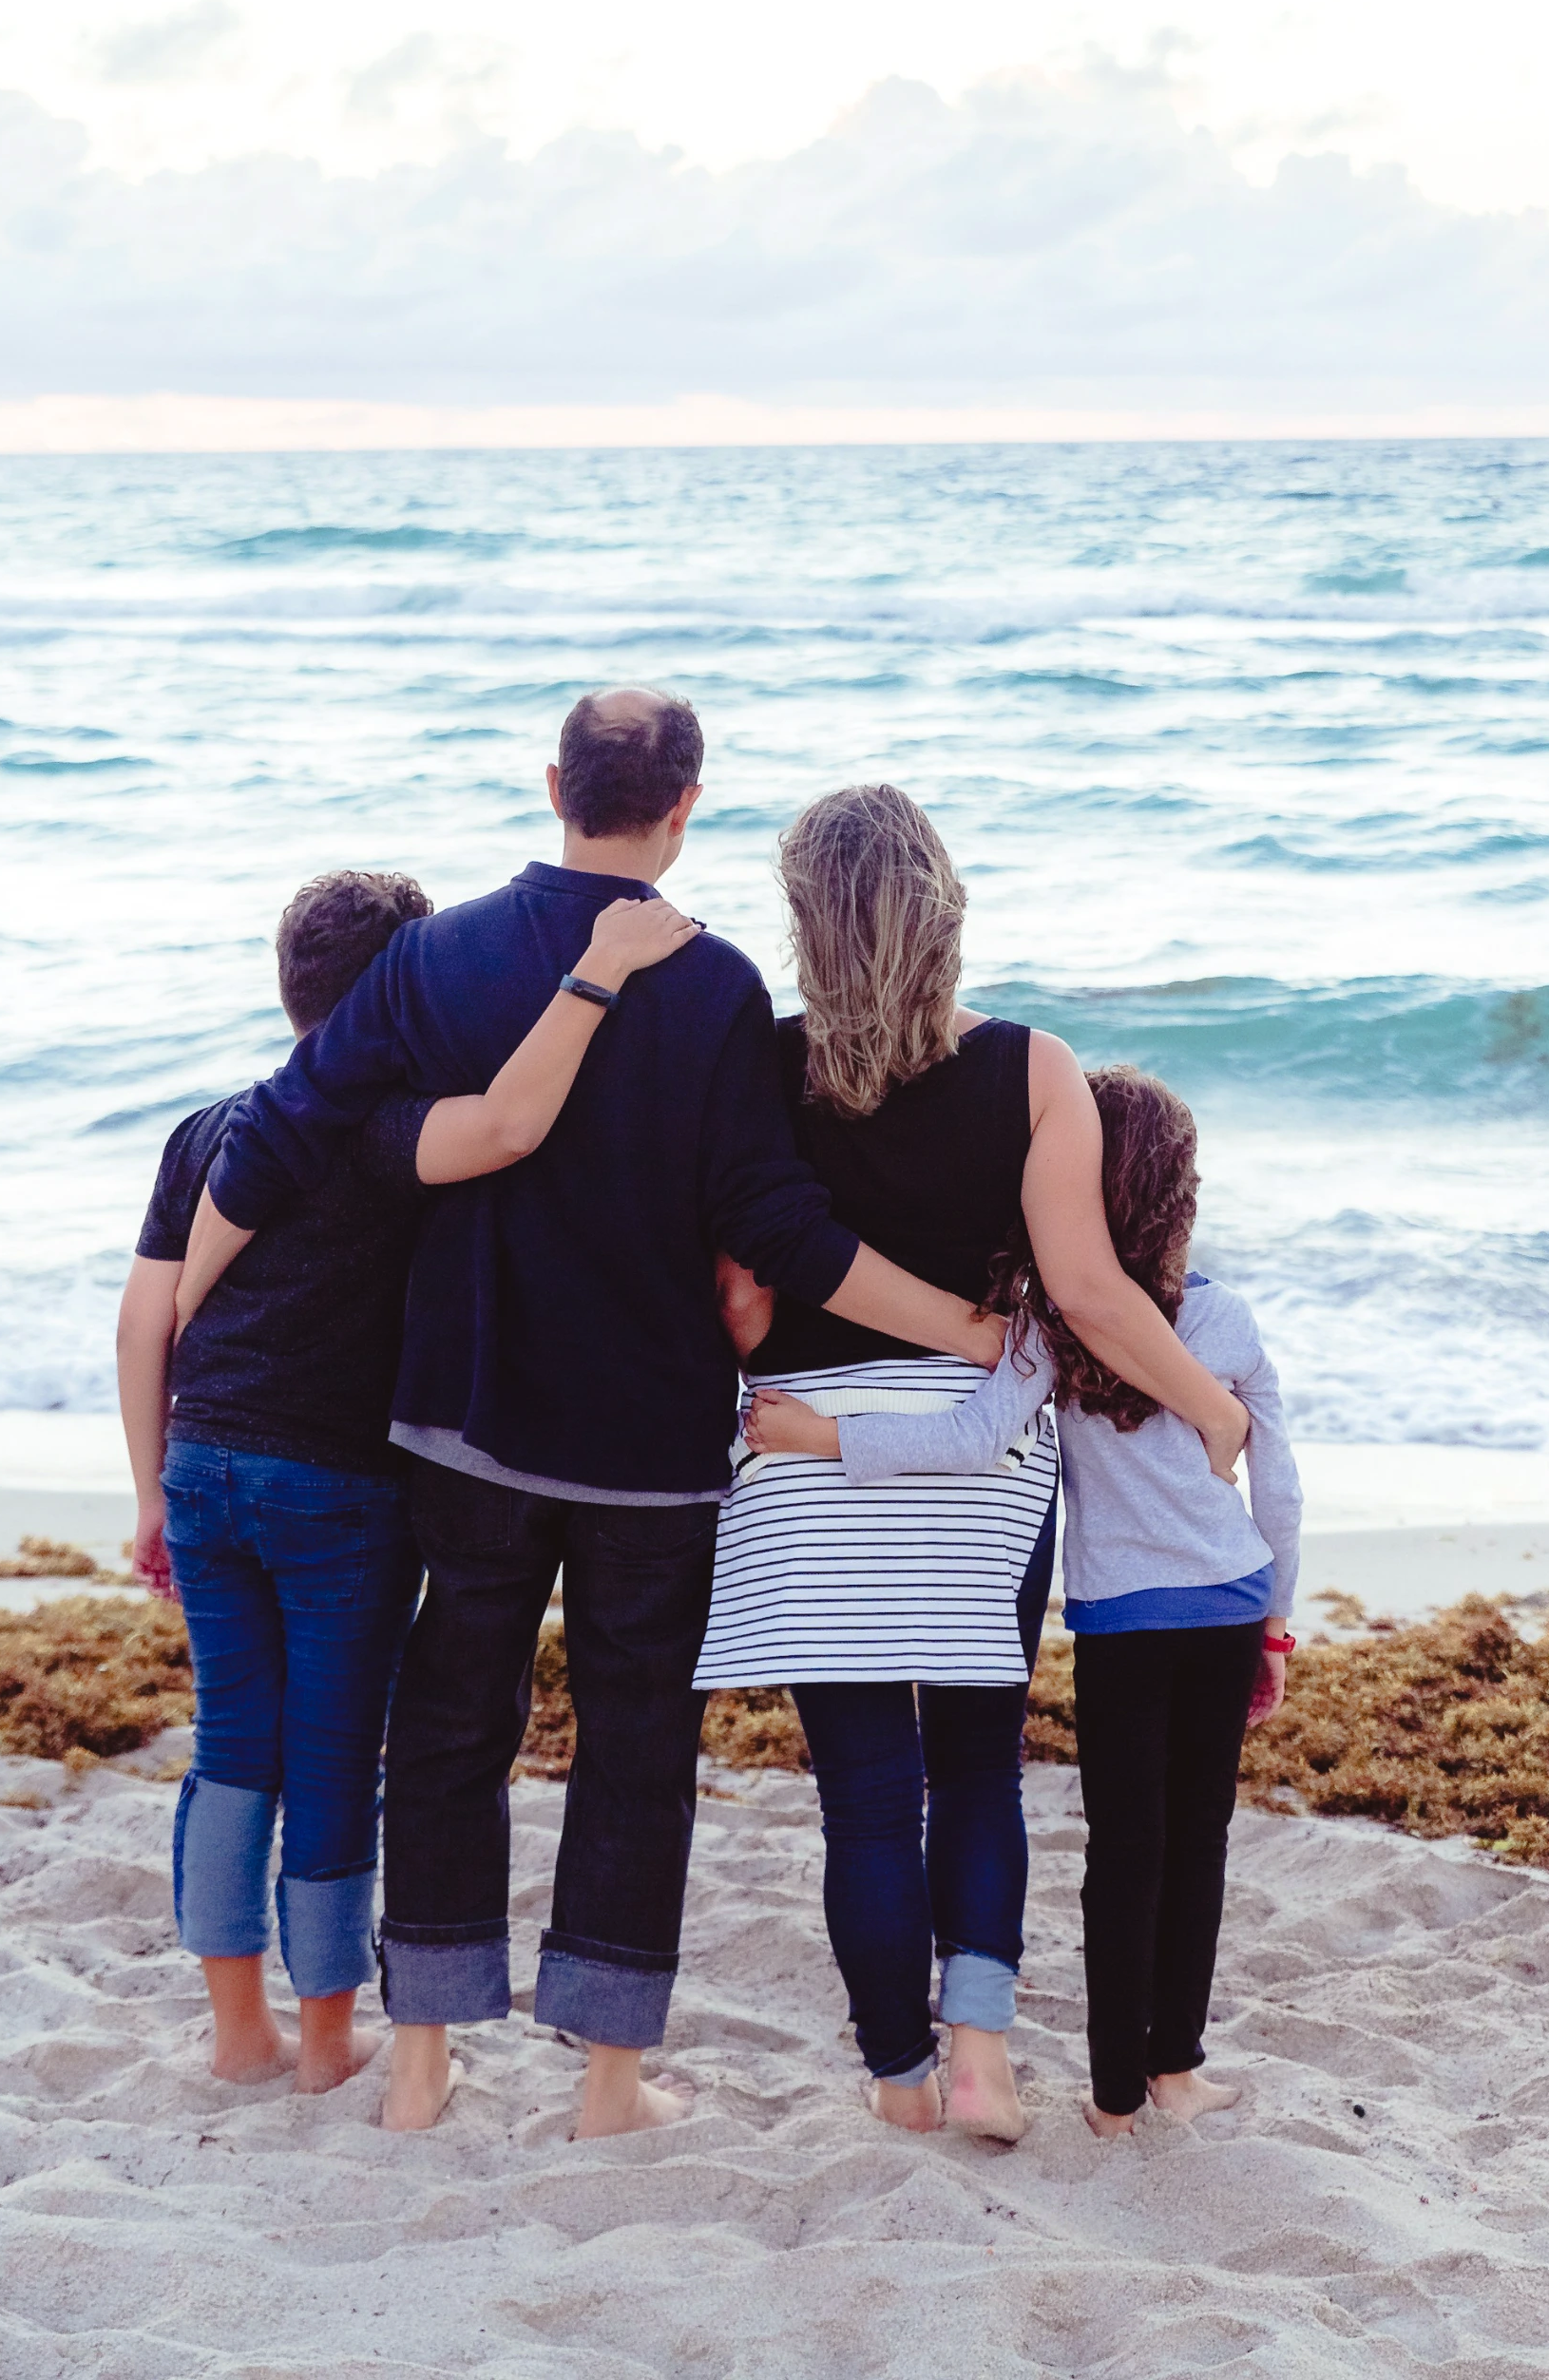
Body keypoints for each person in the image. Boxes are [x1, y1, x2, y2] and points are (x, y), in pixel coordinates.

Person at [182, 689, 1007, 2142]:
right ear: (687, 804)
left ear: (553, 779)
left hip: (468, 1421)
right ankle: (609, 2085)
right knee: (636, 1750)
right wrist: (964, 1328)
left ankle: (423, 2058)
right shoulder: (716, 987)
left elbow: (286, 1126)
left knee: (448, 1726)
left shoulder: (436, 956)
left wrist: (188, 1304)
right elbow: (778, 1224)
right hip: (647, 1445)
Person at [694, 786, 1260, 2145]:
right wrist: (1211, 1411)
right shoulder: (1031, 1066)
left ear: (804, 922)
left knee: (869, 1798)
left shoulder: (760, 1068)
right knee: (980, 1770)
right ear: (945, 909)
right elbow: (1089, 1291)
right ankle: (985, 2055)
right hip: (975, 1461)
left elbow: (736, 1296)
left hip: (806, 1455)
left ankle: (899, 2075)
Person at [117, 866, 704, 2094]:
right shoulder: (385, 1130)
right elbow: (508, 1124)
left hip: (206, 1467)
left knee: (233, 1746)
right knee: (331, 1758)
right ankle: (328, 2038)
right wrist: (598, 975)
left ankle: (237, 2031)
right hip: (336, 1488)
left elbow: (144, 1322)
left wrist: (150, 1493)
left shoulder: (210, 1125)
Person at [746, 1064, 1300, 2136]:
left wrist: (820, 1435)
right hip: (1229, 1606)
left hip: (1120, 1622)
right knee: (1200, 1843)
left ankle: (1109, 2100)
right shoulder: (1225, 1320)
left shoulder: (1052, 1326)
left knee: (1123, 1851)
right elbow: (1277, 1486)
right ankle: (1175, 2068)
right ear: (1183, 1193)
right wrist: (1276, 1617)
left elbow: (967, 1438)